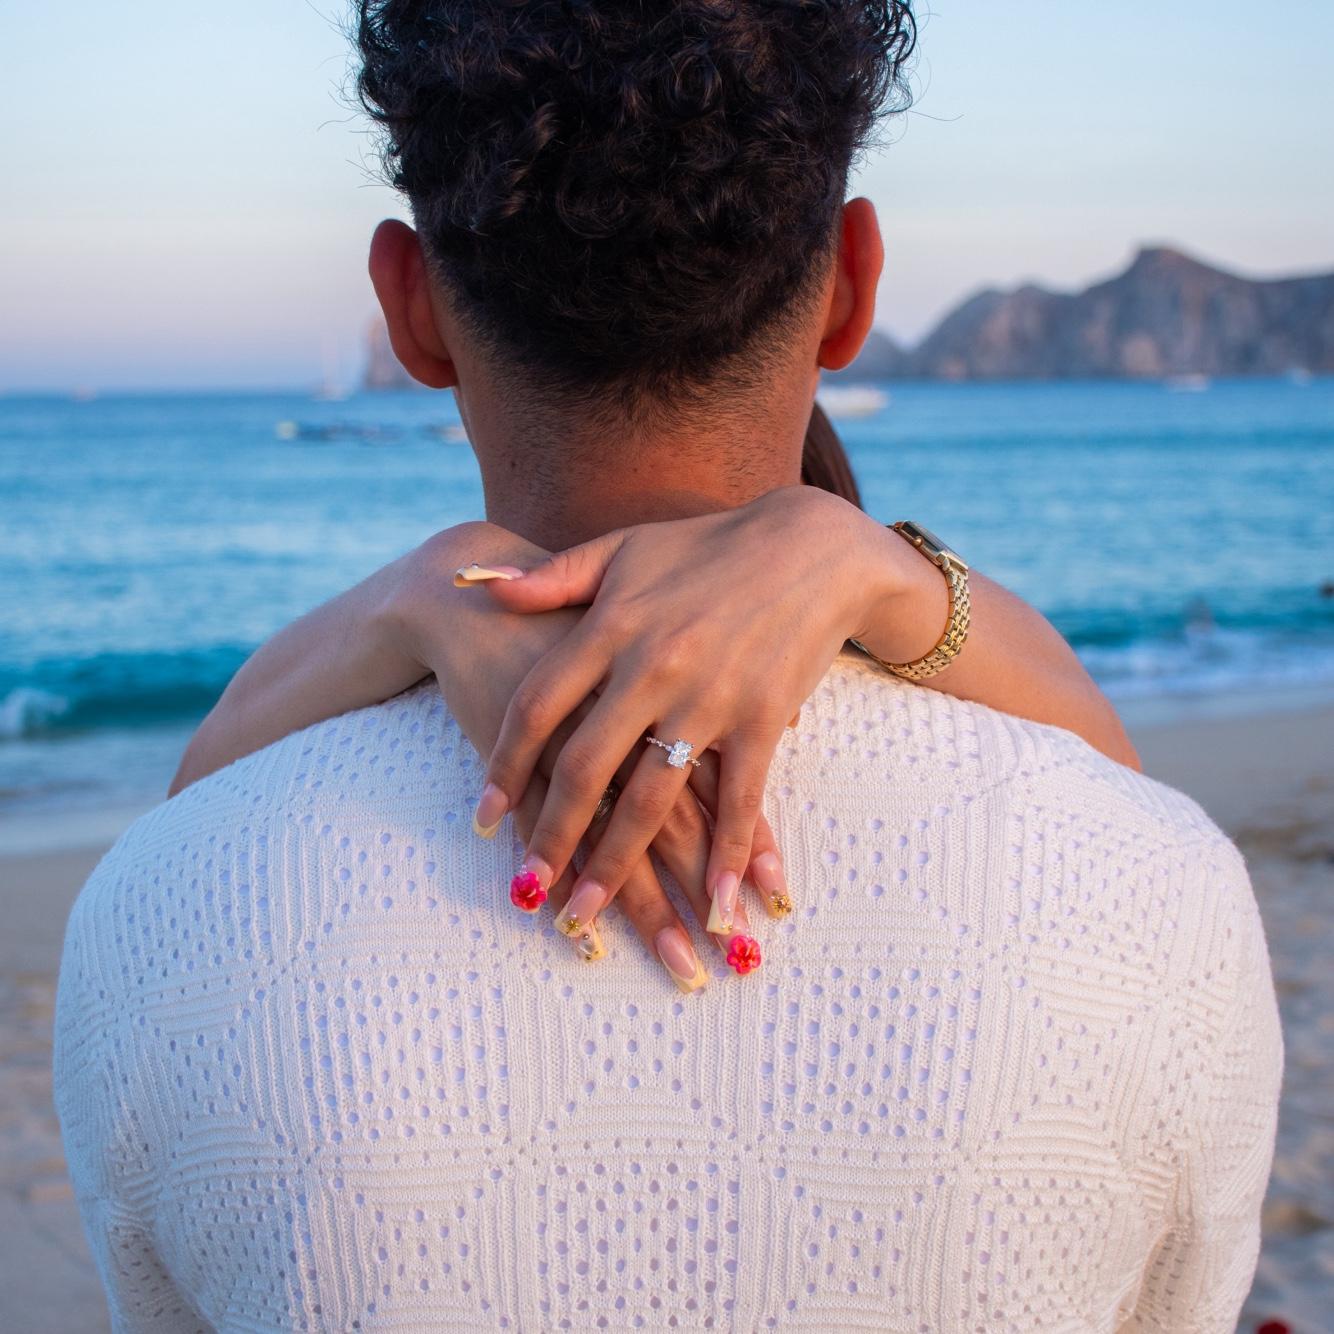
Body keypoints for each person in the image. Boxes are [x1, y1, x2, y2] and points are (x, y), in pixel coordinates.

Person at [54, 2, 1281, 1329]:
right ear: (854, 285)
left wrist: (418, 597)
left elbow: (191, 811)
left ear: (408, 307)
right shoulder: (1162, 893)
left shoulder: (156, 910)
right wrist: (879, 568)